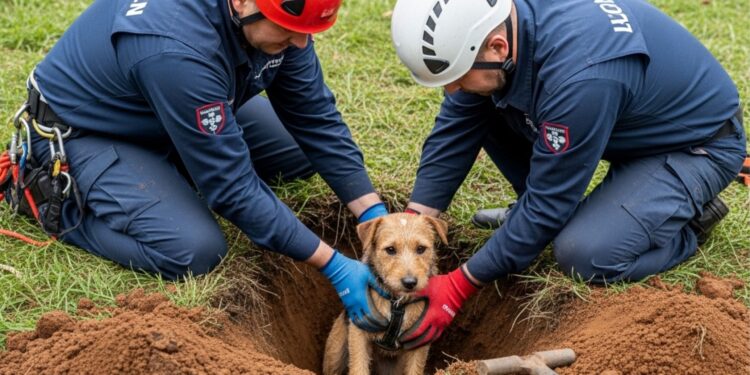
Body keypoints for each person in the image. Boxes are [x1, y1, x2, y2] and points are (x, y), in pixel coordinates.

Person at [9, 0, 390, 331]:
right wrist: (334, 265)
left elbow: (315, 118)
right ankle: (43, 200)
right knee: (193, 250)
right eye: (290, 31)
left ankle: (183, 161)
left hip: (167, 107)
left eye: (307, 31)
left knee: (298, 152)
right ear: (242, 3)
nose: (302, 43)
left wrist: (374, 215)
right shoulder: (176, 47)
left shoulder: (279, 18)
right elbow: (232, 189)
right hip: (90, 132)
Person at [390, 0, 747, 348]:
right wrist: (412, 222)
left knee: (585, 254)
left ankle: (690, 225)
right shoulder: (503, 25)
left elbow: (547, 205)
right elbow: (456, 127)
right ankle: (577, 213)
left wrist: (459, 284)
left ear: (497, 47)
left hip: (694, 147)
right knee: (481, 100)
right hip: (622, 121)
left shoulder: (581, 77)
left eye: (456, 76)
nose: (450, 89)